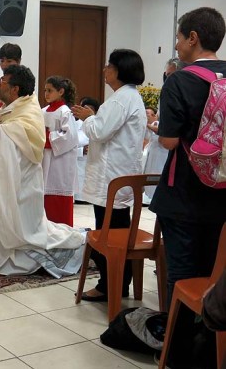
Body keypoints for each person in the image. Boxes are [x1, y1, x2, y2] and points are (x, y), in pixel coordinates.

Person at [0, 65, 86, 277]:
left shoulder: (29, 110)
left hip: (23, 183)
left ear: (15, 89)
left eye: (3, 81)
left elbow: (15, 137)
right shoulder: (12, 107)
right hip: (11, 178)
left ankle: (70, 244)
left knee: (29, 231)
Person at [150, 7, 226, 307]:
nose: (177, 45)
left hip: (185, 193)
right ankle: (208, 331)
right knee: (214, 272)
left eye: (179, 38)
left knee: (182, 273)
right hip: (223, 192)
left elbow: (169, 141)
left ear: (193, 38)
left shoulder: (179, 81)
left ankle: (178, 334)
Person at [71, 49, 147, 302]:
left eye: (109, 66)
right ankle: (119, 282)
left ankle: (108, 285)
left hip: (111, 178)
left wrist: (88, 117)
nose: (104, 70)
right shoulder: (130, 97)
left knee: (108, 235)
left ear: (119, 70)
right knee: (118, 230)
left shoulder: (119, 100)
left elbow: (100, 132)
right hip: (119, 176)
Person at [41, 76, 79, 226]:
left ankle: (63, 232)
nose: (46, 94)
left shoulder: (65, 112)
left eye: (50, 90)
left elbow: (71, 136)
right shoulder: (43, 111)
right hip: (44, 159)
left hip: (60, 163)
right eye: (45, 90)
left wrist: (47, 137)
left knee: (58, 201)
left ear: (61, 91)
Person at [74, 97, 100, 203]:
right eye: (84, 108)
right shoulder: (74, 125)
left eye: (90, 109)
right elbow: (67, 146)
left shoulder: (99, 126)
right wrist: (81, 150)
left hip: (94, 164)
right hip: (78, 164)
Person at [142, 106, 168, 204]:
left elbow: (159, 130)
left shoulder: (157, 124)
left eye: (148, 114)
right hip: (153, 154)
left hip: (161, 154)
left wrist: (147, 124)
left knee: (158, 173)